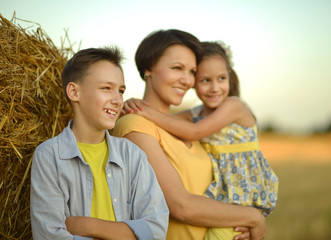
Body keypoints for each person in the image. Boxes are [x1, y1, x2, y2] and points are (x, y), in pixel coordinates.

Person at [112, 29, 266, 240]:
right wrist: (253, 217)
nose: (187, 80)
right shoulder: (135, 125)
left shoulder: (188, 125)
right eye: (177, 68)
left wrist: (237, 224)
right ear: (148, 69)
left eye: (192, 72)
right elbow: (181, 207)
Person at [30, 46, 169, 240]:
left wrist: (88, 226)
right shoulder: (49, 156)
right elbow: (50, 236)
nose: (118, 100)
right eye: (106, 88)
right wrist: (129, 233)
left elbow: (156, 229)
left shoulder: (132, 154)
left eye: (121, 91)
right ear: (74, 92)